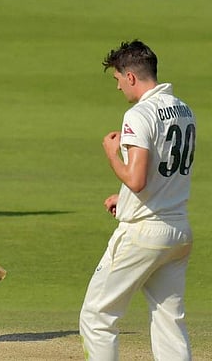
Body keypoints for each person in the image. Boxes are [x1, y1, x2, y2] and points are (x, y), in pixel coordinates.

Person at [79, 40, 196, 360]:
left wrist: (111, 154)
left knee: (97, 317)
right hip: (178, 230)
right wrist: (126, 198)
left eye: (118, 79)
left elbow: (137, 179)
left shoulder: (139, 114)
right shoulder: (184, 109)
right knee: (169, 322)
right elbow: (164, 174)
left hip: (143, 233)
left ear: (130, 76)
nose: (118, 87)